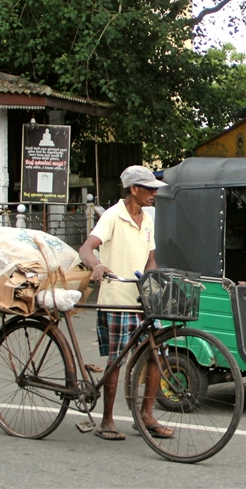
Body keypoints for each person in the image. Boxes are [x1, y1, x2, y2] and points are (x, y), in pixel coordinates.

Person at [78, 165, 170, 441]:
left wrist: (151, 278)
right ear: (133, 189)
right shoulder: (112, 216)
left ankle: (147, 414)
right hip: (117, 299)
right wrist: (97, 265)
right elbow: (87, 248)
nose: (154, 194)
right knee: (116, 361)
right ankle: (107, 421)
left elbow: (151, 256)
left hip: (142, 298)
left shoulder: (147, 219)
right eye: (149, 189)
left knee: (157, 353)